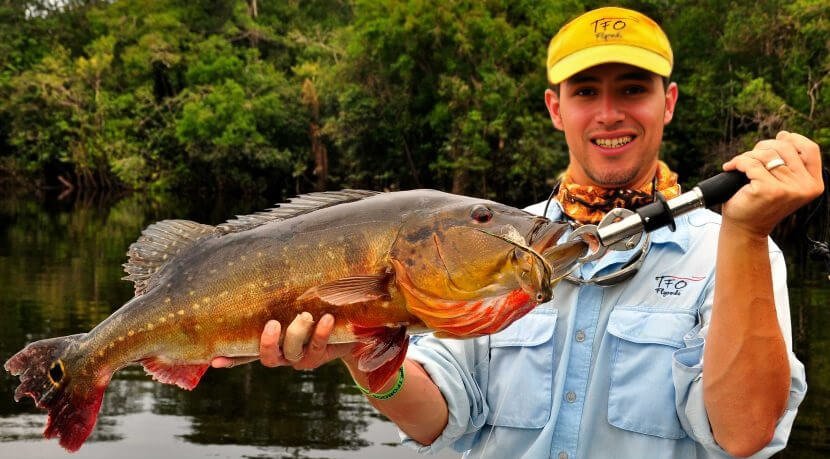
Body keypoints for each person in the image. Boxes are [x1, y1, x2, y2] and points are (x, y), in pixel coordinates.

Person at [211, 6, 824, 458]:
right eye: (586, 91)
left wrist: (745, 234)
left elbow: (742, 433)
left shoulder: (736, 252)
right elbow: (437, 419)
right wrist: (367, 359)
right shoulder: (474, 242)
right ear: (557, 108)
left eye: (633, 89)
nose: (609, 112)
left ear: (668, 103)